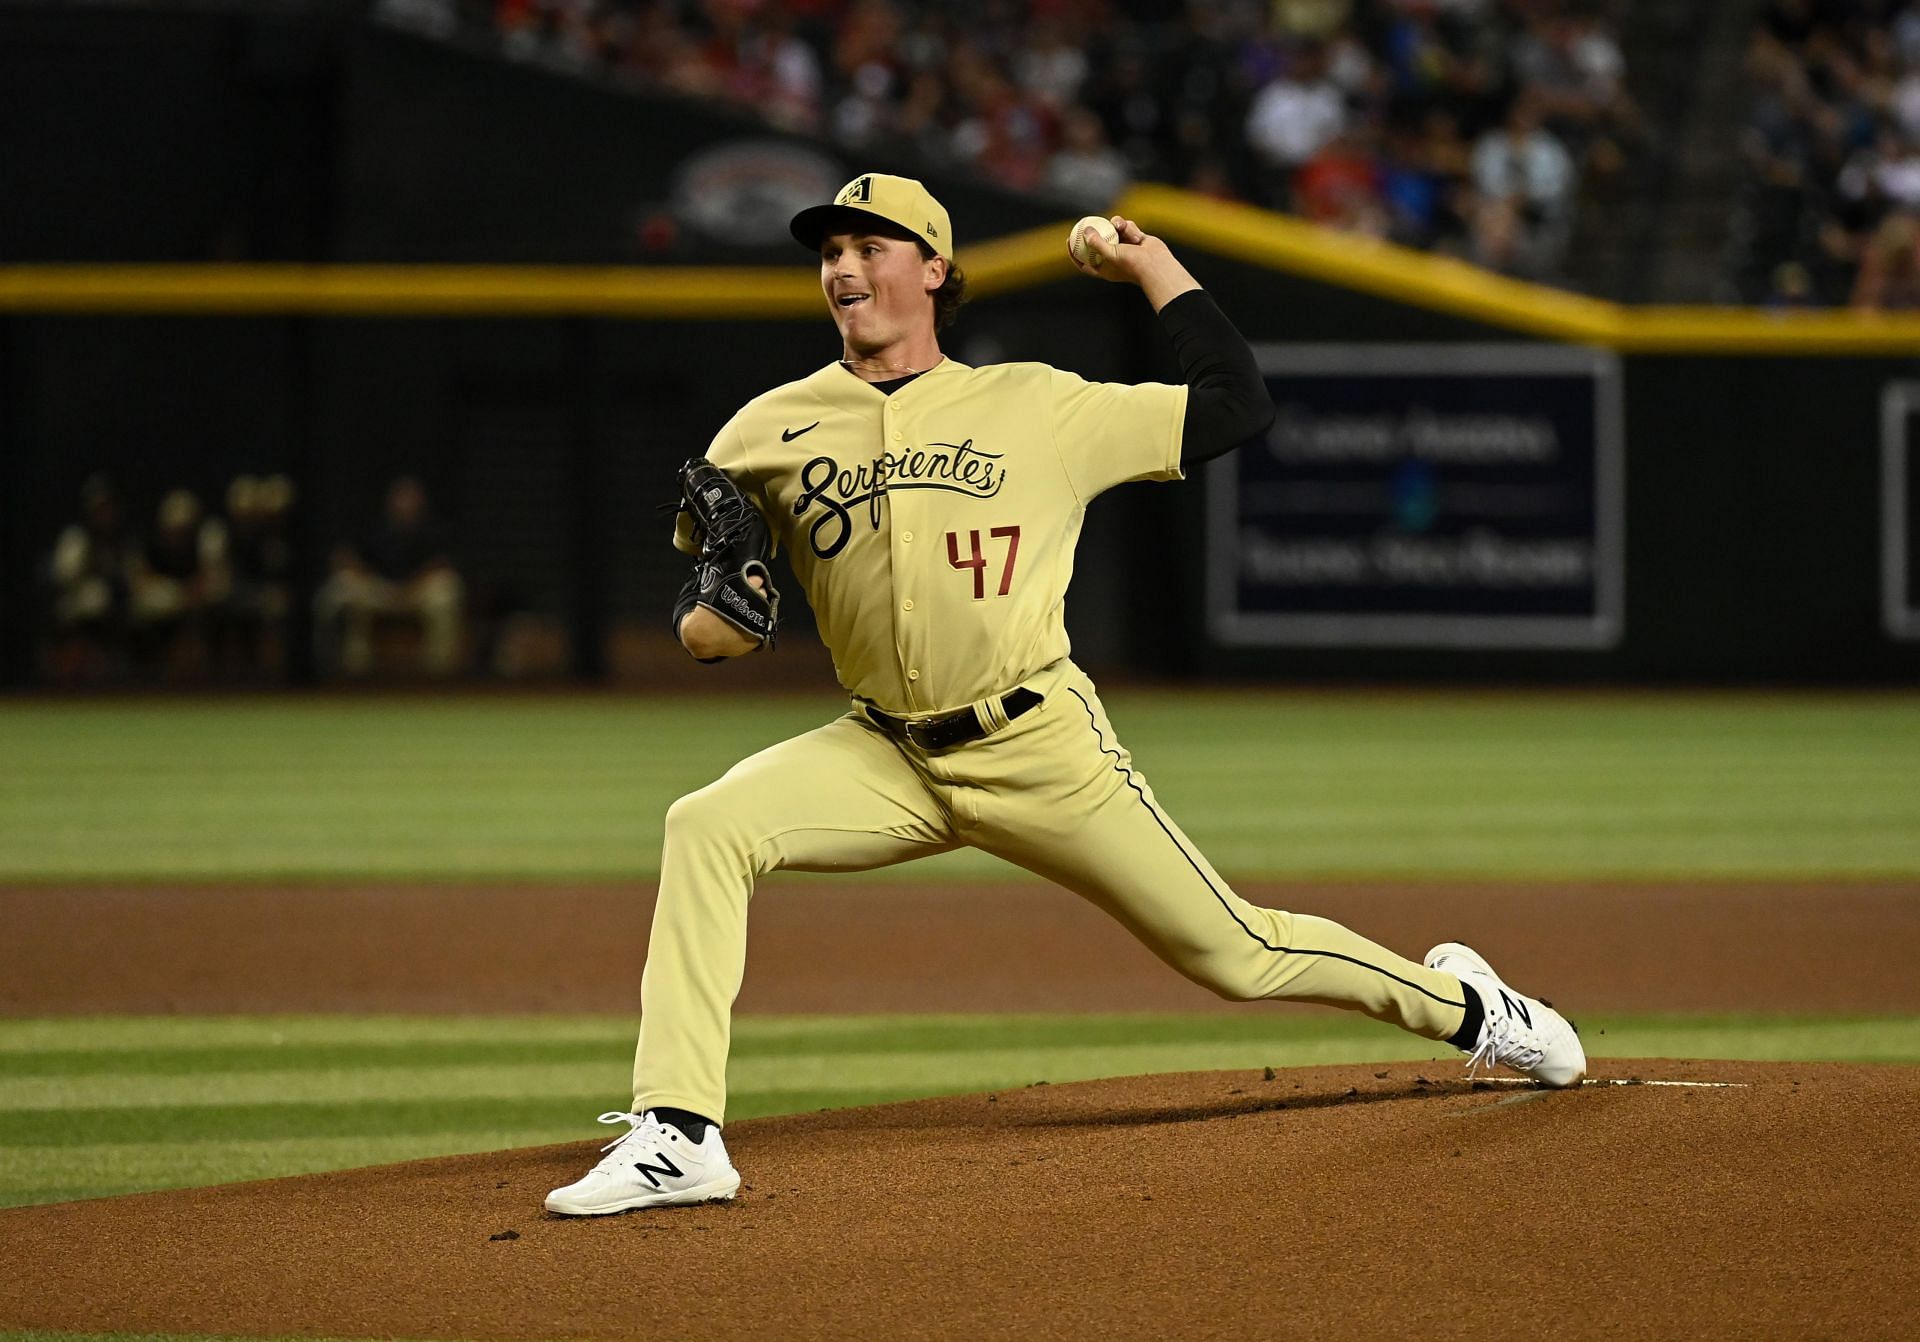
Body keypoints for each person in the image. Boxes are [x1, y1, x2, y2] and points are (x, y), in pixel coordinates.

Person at [544, 173, 1585, 1217]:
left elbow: (1236, 405)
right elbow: (710, 629)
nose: (845, 268)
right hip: (881, 752)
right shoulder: (763, 431)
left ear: (934, 270)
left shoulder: (1038, 403)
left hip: (1038, 741)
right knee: (708, 823)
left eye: (872, 246)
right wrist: (722, 611)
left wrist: (1149, 264)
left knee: (1236, 951)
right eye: (831, 253)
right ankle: (679, 1133)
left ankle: (1472, 1009)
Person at [313, 475, 464, 676]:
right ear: (391, 501)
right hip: (379, 590)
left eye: (412, 499)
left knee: (447, 590)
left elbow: (442, 565)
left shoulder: (432, 529)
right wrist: (365, 576)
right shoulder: (373, 527)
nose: (406, 505)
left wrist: (412, 586)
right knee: (337, 591)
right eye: (402, 498)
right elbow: (345, 557)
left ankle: (437, 671)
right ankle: (345, 668)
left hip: (417, 591)